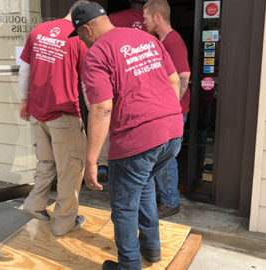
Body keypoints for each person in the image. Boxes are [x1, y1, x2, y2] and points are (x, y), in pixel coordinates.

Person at [69, 2, 183, 269]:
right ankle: (151, 249)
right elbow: (175, 80)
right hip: (173, 133)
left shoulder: (97, 54)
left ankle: (129, 266)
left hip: (138, 140)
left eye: (81, 37)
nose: (82, 43)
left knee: (123, 208)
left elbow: (101, 108)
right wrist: (165, 116)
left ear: (86, 29)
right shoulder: (147, 39)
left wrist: (91, 161)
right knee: (143, 187)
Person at [18, 0, 88, 237]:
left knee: (46, 163)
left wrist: (24, 101)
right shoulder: (79, 37)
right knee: (70, 169)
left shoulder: (38, 31)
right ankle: (64, 223)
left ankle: (34, 204)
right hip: (64, 114)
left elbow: (24, 70)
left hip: (38, 114)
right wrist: (97, 112)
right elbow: (88, 81)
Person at [143, 0, 191, 218]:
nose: (143, 22)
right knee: (162, 157)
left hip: (174, 112)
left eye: (145, 18)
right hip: (167, 111)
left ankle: (170, 201)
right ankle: (165, 197)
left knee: (166, 157)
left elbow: (184, 76)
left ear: (157, 17)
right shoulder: (160, 40)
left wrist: (170, 110)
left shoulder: (173, 41)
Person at [95, 0, 149, 183]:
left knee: (107, 119)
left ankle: (103, 163)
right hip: (143, 84)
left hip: (114, 81)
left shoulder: (115, 19)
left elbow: (101, 44)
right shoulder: (152, 21)